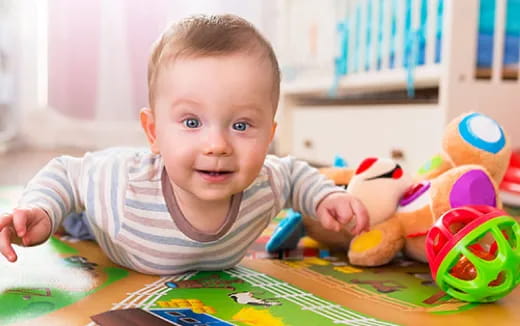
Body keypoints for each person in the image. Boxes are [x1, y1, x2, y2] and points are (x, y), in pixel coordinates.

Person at [0, 14, 369, 275]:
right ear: (154, 132)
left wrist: (324, 198)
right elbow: (67, 172)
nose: (217, 145)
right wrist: (42, 211)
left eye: (241, 125)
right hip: (114, 226)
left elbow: (295, 175)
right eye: (192, 122)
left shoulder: (266, 183)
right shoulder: (120, 185)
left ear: (269, 137)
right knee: (75, 217)